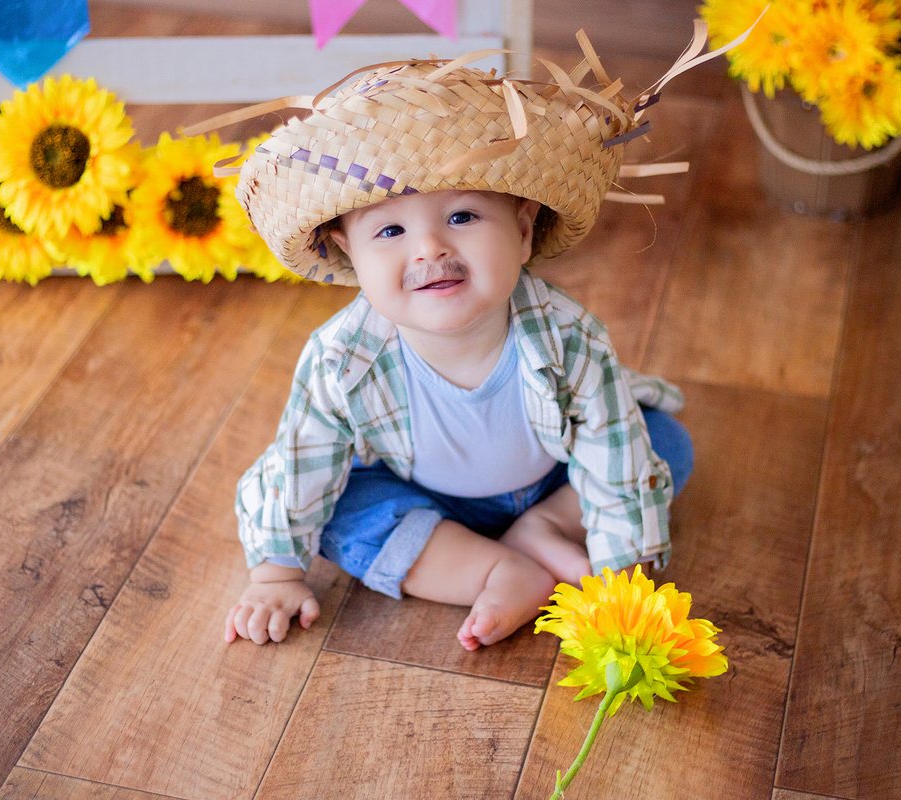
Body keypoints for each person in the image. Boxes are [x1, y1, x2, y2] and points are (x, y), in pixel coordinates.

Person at [218, 51, 701, 651]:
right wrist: (276, 574)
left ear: (523, 229)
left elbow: (612, 455)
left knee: (660, 443)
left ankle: (542, 527)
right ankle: (498, 570)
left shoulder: (568, 337)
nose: (428, 249)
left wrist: (623, 579)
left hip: (558, 478)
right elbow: (301, 463)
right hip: (425, 500)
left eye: (462, 215)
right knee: (340, 509)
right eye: (390, 232)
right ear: (349, 252)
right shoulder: (342, 359)